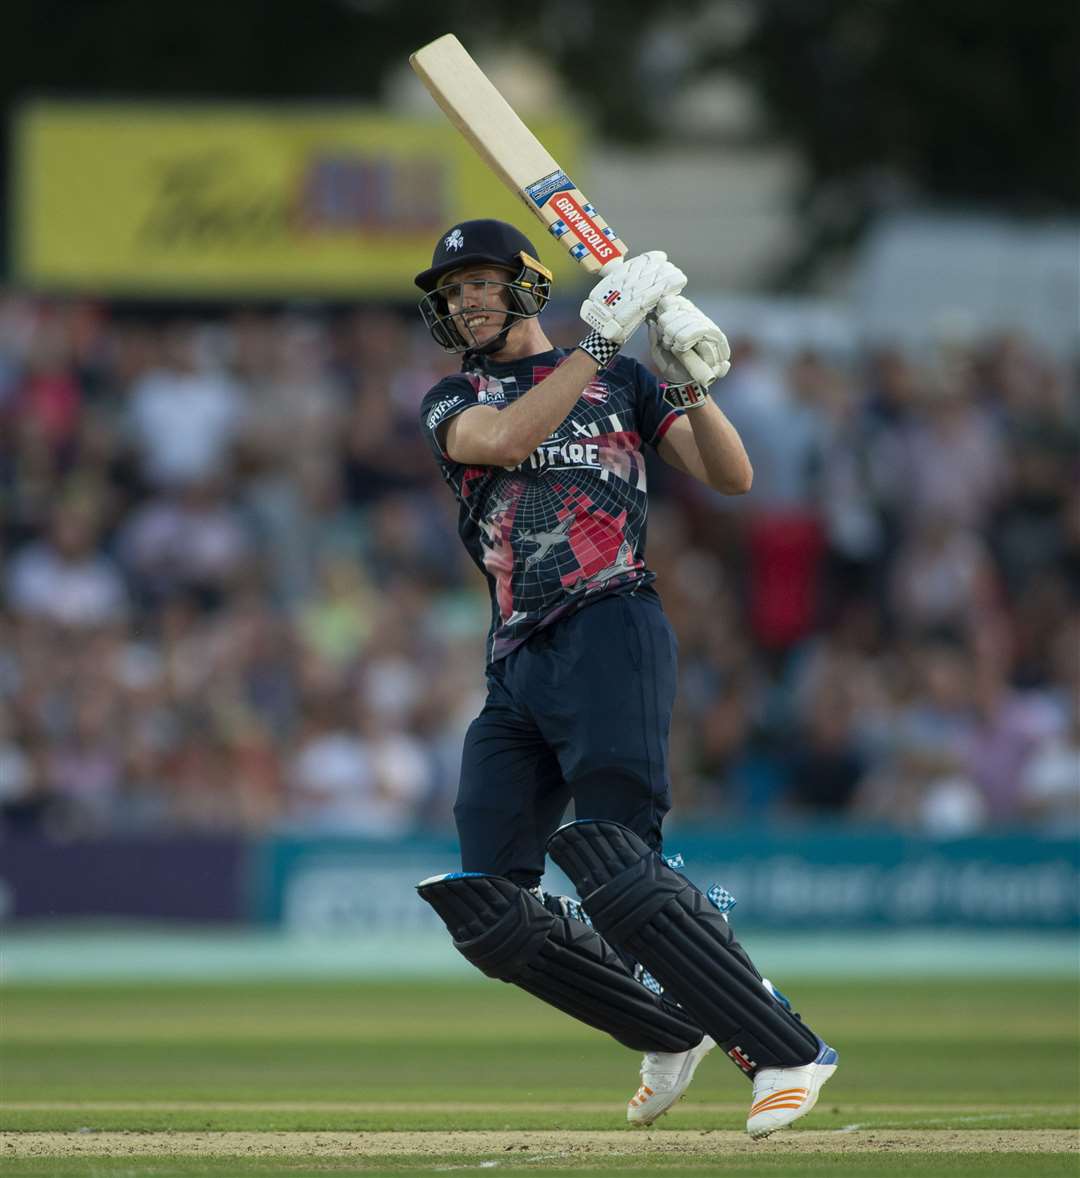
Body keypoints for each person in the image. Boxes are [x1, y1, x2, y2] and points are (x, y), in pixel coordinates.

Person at [412, 219, 837, 1138]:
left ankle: (784, 1050)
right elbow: (510, 442)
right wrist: (599, 341)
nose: (463, 303)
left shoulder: (625, 382)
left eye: (479, 283)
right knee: (489, 906)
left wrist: (685, 371)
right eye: (451, 293)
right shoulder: (455, 397)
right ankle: (665, 1027)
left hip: (613, 626)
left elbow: (732, 474)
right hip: (517, 656)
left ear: (527, 283)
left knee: (619, 866)